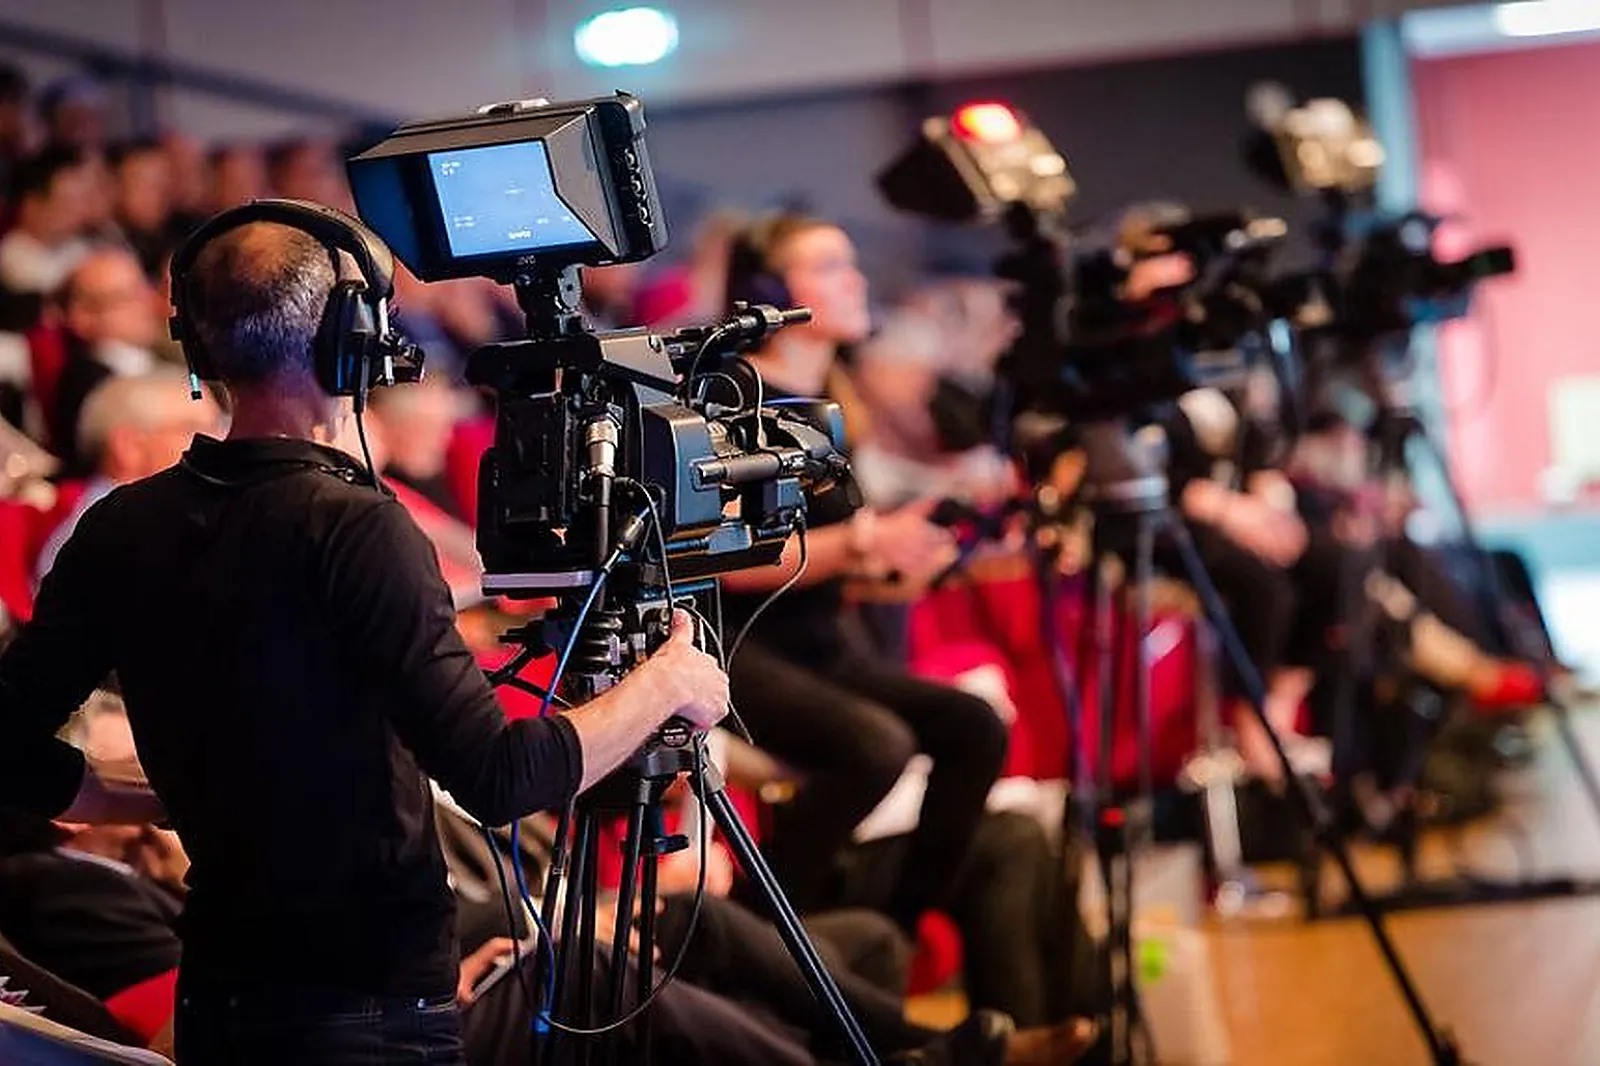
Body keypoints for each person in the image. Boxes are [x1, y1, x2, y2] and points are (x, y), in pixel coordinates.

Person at [0, 211, 730, 1065]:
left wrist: (157, 798)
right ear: (359, 340)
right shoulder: (356, 528)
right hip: (367, 1011)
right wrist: (668, 682)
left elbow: (10, 752)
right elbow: (499, 776)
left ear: (196, 347)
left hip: (221, 998)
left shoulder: (121, 525)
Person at [717, 212, 1010, 935]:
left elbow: (832, 562)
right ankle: (760, 932)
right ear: (766, 291)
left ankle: (891, 934)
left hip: (817, 642)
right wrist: (861, 543)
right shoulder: (729, 397)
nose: (855, 281)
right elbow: (727, 562)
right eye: (828, 267)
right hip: (737, 648)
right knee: (876, 746)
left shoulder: (838, 400)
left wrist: (901, 565)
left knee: (974, 728)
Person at [35, 369, 221, 584]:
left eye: (218, 426)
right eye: (194, 429)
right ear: (128, 447)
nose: (220, 440)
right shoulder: (107, 531)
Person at [48, 247, 166, 470]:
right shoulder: (86, 381)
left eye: (144, 288)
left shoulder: (158, 357)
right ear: (81, 317)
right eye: (127, 296)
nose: (149, 302)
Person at [0, 146, 96, 296]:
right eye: (69, 202)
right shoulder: (13, 261)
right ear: (32, 205)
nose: (82, 212)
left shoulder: (77, 246)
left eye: (82, 200)